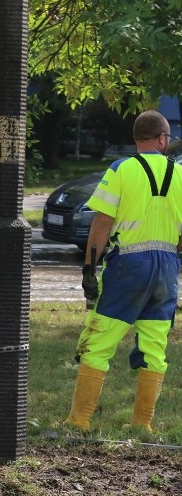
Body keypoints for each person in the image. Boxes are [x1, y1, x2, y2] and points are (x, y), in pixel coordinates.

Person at [65, 110, 181, 433]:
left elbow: (102, 222)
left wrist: (90, 266)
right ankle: (142, 424)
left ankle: (80, 419)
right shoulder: (181, 175)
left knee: (100, 339)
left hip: (128, 266)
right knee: (155, 346)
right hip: (167, 270)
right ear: (161, 139)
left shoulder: (121, 169)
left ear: (136, 139)